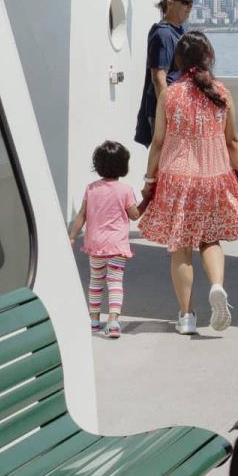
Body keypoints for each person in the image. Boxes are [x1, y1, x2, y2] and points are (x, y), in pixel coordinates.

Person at [139, 31, 238, 335]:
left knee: (181, 247)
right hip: (215, 175)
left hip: (177, 177)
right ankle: (217, 286)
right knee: (211, 239)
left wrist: (149, 180)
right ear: (209, 57)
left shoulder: (169, 94)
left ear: (178, 60)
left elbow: (157, 141)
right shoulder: (221, 92)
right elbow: (233, 142)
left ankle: (186, 316)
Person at [68, 140, 142, 339]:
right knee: (115, 282)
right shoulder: (125, 190)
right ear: (123, 166)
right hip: (117, 246)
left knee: (96, 282)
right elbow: (134, 215)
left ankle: (93, 321)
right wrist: (147, 200)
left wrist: (72, 236)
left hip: (96, 245)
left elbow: (81, 215)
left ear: (97, 165)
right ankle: (113, 321)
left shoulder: (91, 189)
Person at [134, 0, 195, 148]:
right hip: (167, 110)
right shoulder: (163, 34)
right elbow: (159, 77)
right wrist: (169, 112)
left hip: (177, 107)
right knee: (166, 159)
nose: (189, 7)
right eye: (184, 2)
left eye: (191, 3)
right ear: (169, 2)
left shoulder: (179, 32)